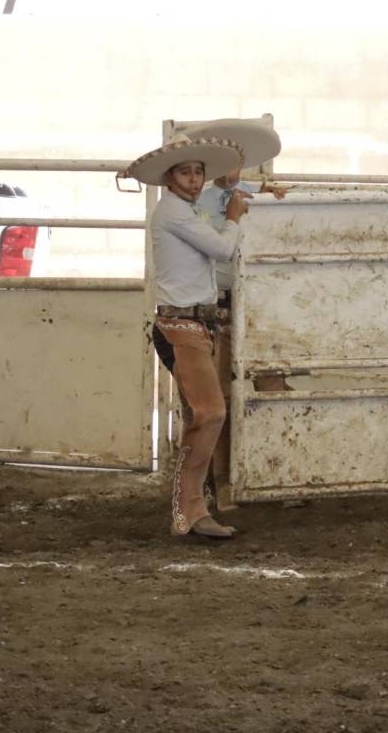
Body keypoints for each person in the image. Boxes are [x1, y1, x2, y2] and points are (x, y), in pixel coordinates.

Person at [125, 134, 246, 539]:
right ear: (170, 178)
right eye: (186, 172)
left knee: (203, 413)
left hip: (189, 325)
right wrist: (233, 216)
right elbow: (222, 249)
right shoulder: (176, 214)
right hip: (184, 327)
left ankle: (191, 507)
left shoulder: (178, 212)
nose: (194, 180)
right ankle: (188, 508)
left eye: (197, 172)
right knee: (211, 413)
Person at [177, 119, 287, 512]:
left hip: (260, 302)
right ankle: (222, 484)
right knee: (220, 395)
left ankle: (275, 476)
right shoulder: (196, 204)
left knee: (270, 386)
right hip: (220, 303)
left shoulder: (268, 196)